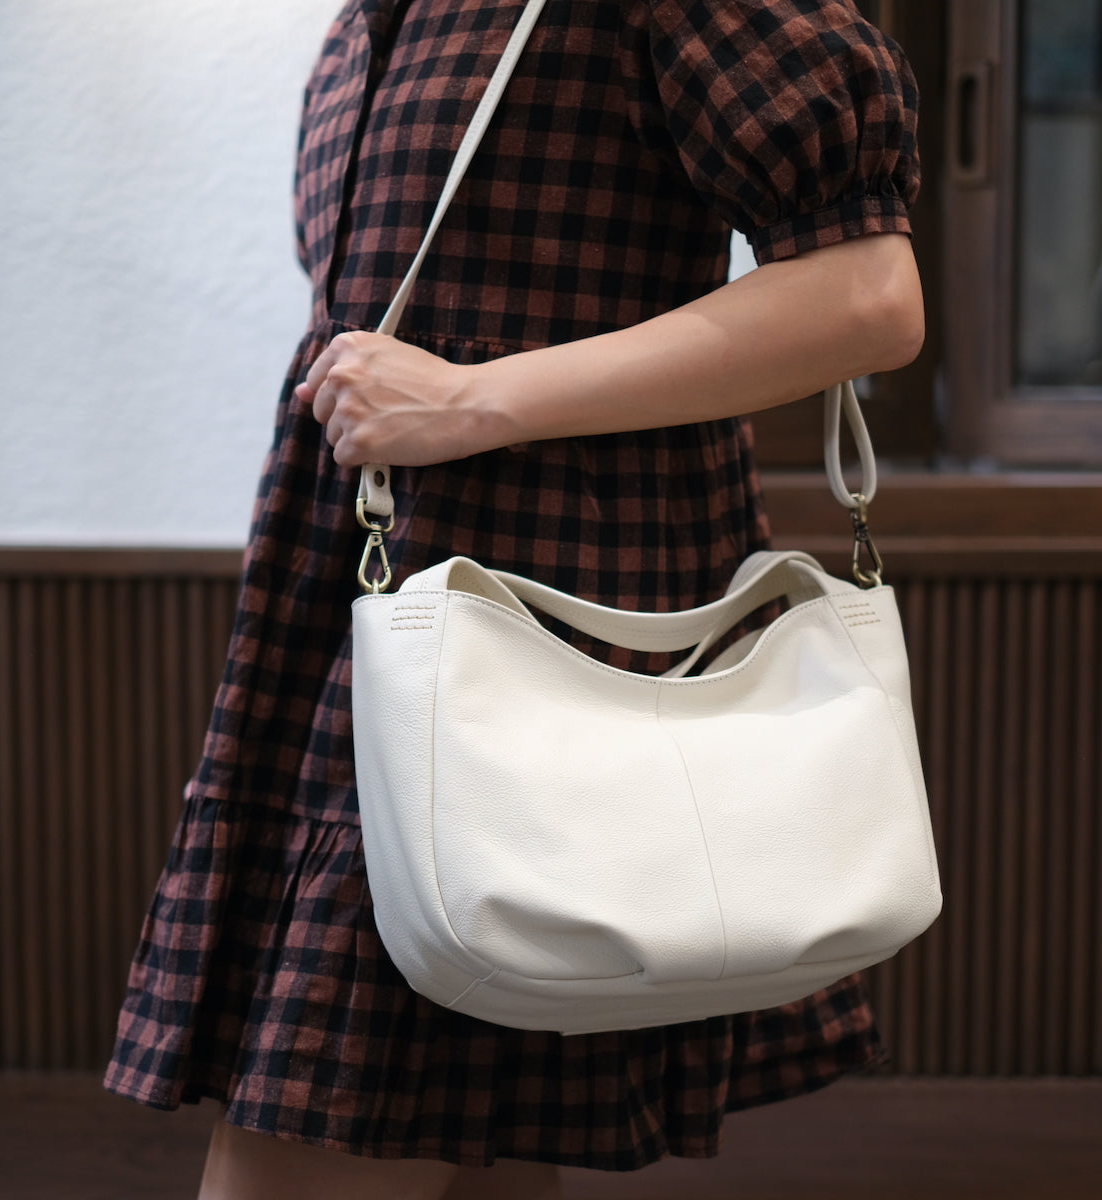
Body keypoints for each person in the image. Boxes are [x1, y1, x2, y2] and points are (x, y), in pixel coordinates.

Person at [105, 2, 924, 1196]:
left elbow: (868, 297)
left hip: (530, 652)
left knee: (322, 1141)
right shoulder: (362, 32)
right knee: (474, 1140)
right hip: (370, 634)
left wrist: (470, 399)